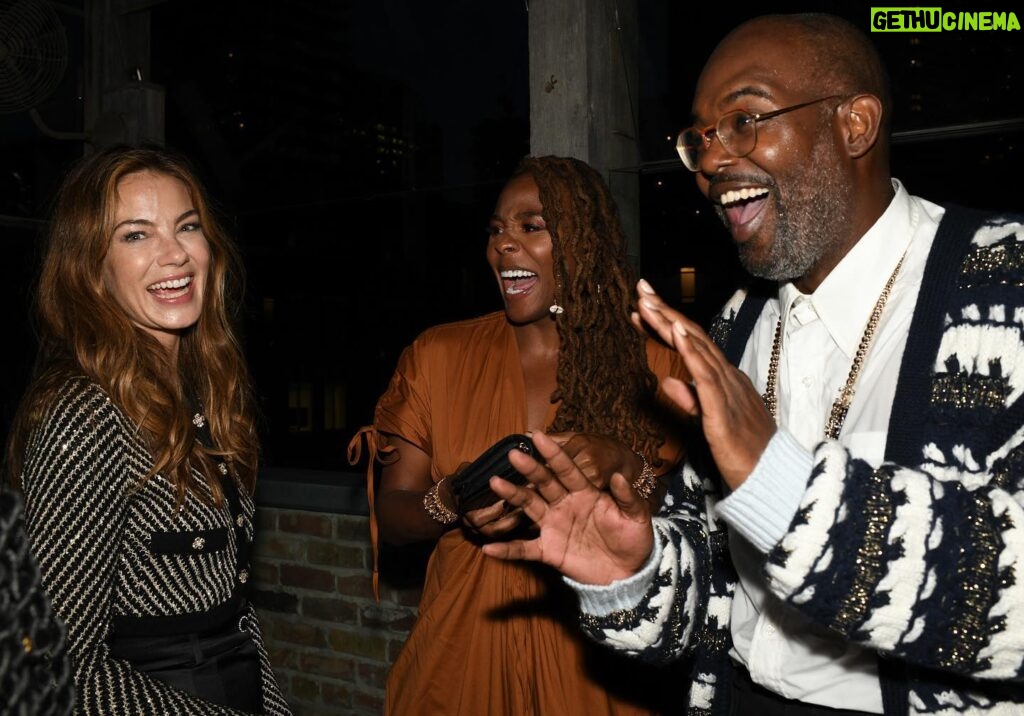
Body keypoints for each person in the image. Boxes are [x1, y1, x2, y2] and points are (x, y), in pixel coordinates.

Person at [481, 13, 1024, 715]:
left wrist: (779, 485)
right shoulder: (736, 326)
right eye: (699, 137)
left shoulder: (1003, 285)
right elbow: (709, 603)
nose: (709, 161)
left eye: (744, 118)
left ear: (855, 125)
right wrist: (631, 573)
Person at [348, 155, 690, 714]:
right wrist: (449, 500)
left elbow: (681, 526)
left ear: (582, 243)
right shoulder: (439, 356)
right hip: (460, 656)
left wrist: (621, 462)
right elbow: (392, 519)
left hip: (595, 666)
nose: (503, 245)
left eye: (531, 226)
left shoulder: (653, 365)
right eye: (496, 230)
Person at [5, 146, 291, 715]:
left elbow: (231, 605)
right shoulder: (83, 414)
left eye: (187, 227)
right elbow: (59, 664)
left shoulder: (206, 391)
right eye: (136, 235)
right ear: (92, 267)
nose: (175, 254)